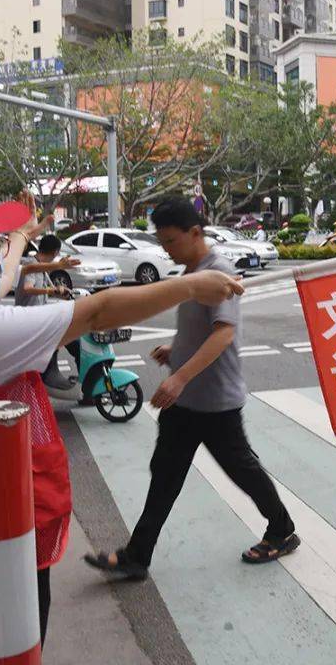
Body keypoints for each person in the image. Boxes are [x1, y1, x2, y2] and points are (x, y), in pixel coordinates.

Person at [0, 187, 242, 665]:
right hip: (0, 537)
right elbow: (98, 310)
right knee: (12, 652)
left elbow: (7, 272)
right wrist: (192, 287)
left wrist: (18, 237)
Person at [84, 197, 298, 580]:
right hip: (186, 405)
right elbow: (200, 329)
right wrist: (177, 351)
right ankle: (137, 556)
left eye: (170, 241)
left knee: (243, 471)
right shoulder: (193, 271)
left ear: (195, 232)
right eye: (161, 242)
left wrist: (180, 376)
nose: (166, 249)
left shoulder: (218, 273)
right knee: (165, 473)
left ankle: (282, 530)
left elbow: (225, 333)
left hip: (214, 403)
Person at [15, 234, 82, 390]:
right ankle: (52, 377)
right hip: (31, 322)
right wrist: (51, 289)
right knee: (74, 341)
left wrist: (60, 291)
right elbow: (28, 288)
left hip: (40, 319)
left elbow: (50, 289)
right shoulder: (33, 265)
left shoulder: (42, 268)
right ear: (56, 252)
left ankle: (56, 377)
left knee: (72, 338)